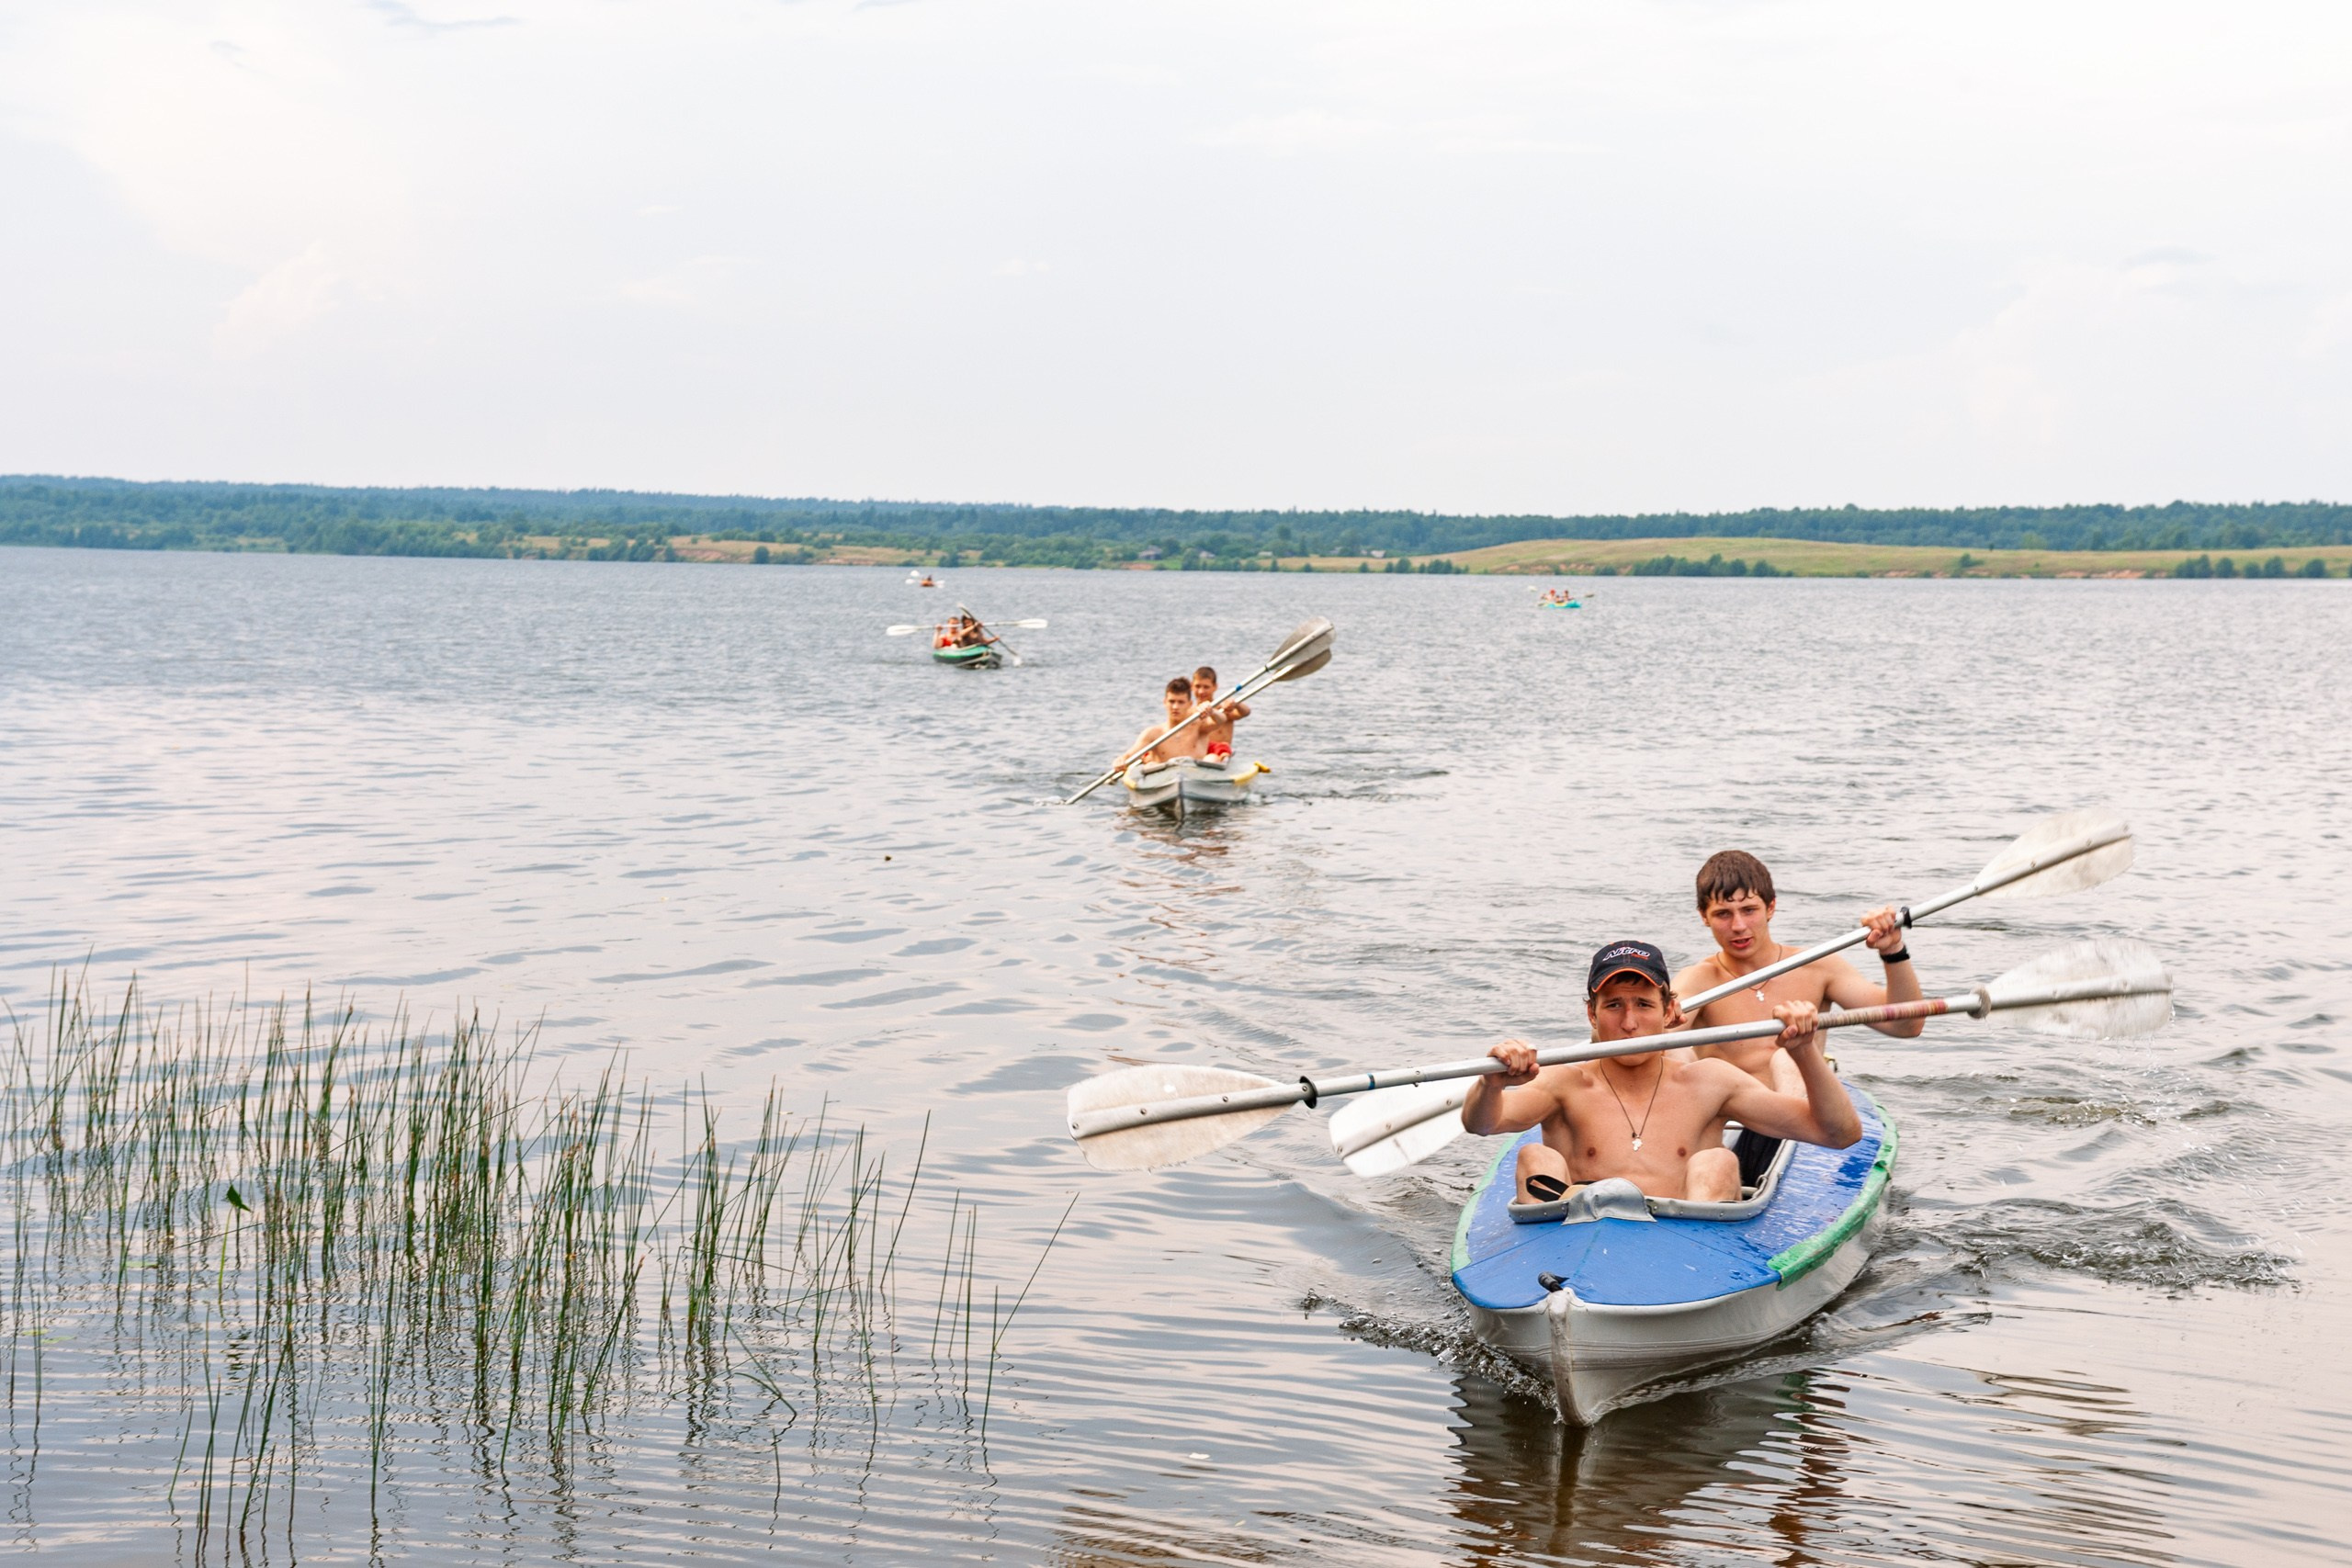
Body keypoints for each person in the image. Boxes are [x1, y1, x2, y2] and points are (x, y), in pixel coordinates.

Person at [1461, 941, 1860, 1204]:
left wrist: (1805, 1052)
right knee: (1535, 1155)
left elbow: (1837, 1134)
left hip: (1686, 1251)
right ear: (1592, 1014)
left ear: (1669, 1011)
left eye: (1644, 1005)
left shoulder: (1711, 1081)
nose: (1630, 1022)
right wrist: (1490, 1083)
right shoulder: (1565, 1082)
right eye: (1614, 1006)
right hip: (1577, 1246)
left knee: (1716, 1162)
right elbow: (1483, 1123)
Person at [1671, 849, 1921, 1189]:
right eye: (1723, 914)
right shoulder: (1697, 981)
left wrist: (1893, 951)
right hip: (1730, 1126)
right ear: (1704, 916)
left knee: (1784, 1056)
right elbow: (1650, 1044)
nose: (1739, 926)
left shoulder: (1817, 966)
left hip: (1801, 1130)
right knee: (1678, 1056)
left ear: (1771, 907)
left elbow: (1906, 1024)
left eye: (1749, 910)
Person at [1117, 677, 1205, 769]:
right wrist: (1121, 760)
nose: (1175, 707)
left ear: (1190, 704)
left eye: (1181, 702)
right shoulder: (1153, 733)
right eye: (1172, 701)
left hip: (1193, 774)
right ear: (1165, 702)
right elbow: (1129, 755)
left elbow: (1220, 721)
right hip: (1163, 778)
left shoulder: (1199, 726)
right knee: (1151, 765)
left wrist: (1211, 711)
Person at [1188, 666, 1250, 760]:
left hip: (1220, 758)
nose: (1201, 691)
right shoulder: (1189, 713)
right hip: (1199, 758)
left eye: (1206, 687)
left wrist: (1236, 704)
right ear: (1191, 686)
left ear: (1215, 687)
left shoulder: (1224, 709)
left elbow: (1246, 712)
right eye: (1197, 686)